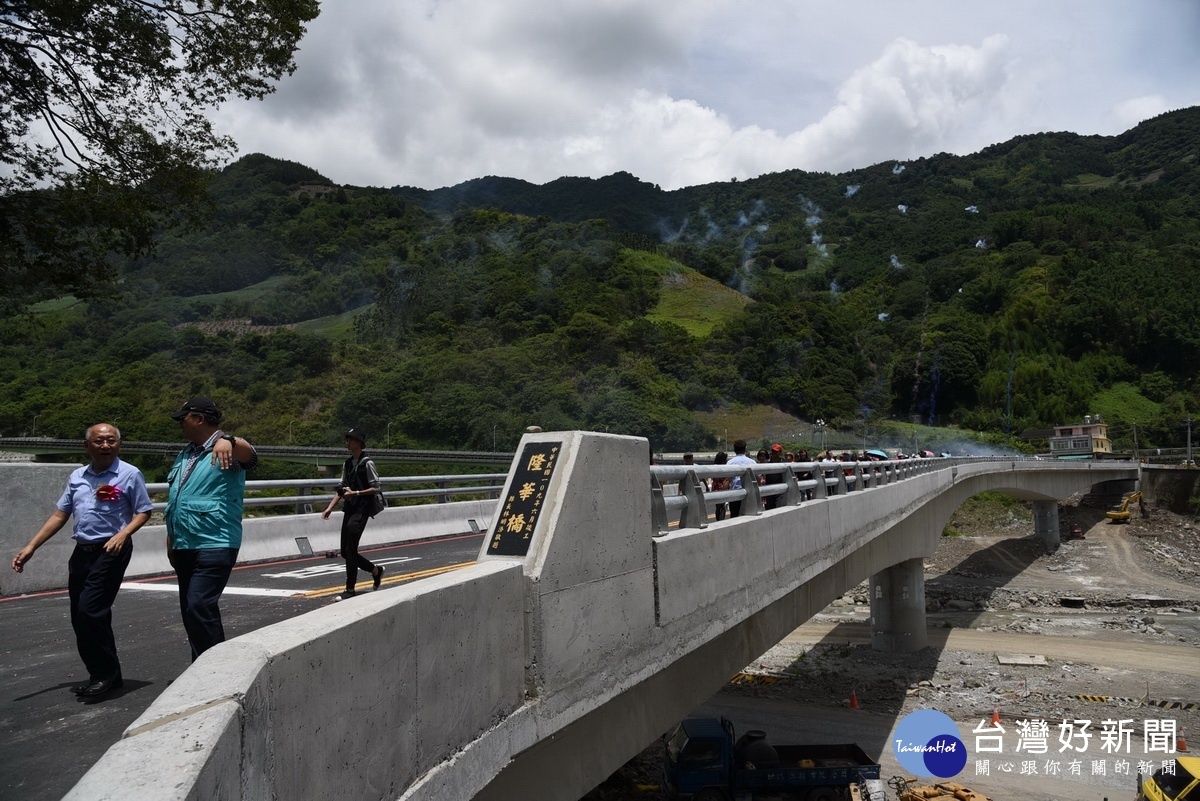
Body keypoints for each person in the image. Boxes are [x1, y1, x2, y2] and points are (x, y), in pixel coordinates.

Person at [12, 423, 152, 697]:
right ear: (86, 446)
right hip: (82, 552)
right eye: (99, 441)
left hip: (111, 550)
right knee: (80, 617)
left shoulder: (129, 474)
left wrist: (123, 534)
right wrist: (31, 547)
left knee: (91, 611)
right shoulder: (77, 476)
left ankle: (104, 675)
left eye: (111, 441)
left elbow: (143, 511)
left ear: (119, 445)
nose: (105, 446)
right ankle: (106, 674)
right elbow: (59, 515)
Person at [165, 397, 257, 661]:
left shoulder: (226, 447)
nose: (180, 423)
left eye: (183, 418)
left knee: (199, 606)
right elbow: (178, 500)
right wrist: (171, 538)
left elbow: (250, 456)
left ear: (199, 418)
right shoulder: (186, 454)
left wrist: (229, 439)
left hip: (215, 542)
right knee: (191, 611)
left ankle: (216, 670)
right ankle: (201, 665)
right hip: (184, 544)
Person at [322, 428, 385, 600]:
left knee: (351, 549)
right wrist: (330, 507)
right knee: (345, 551)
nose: (348, 442)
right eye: (347, 439)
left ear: (359, 443)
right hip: (349, 509)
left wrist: (356, 493)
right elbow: (342, 489)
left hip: (362, 509)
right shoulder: (348, 464)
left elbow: (376, 488)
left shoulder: (367, 463)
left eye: (351, 440)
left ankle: (350, 589)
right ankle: (375, 570)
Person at [727, 440, 756, 518]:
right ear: (745, 449)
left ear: (734, 450)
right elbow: (758, 479)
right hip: (750, 493)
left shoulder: (730, 463)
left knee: (734, 517)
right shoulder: (752, 462)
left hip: (735, 494)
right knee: (750, 516)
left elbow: (727, 480)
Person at [710, 451, 730, 521]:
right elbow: (727, 478)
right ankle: (721, 519)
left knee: (718, 506)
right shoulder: (725, 467)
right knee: (722, 506)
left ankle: (718, 519)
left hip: (716, 487)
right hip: (722, 486)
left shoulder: (714, 467)